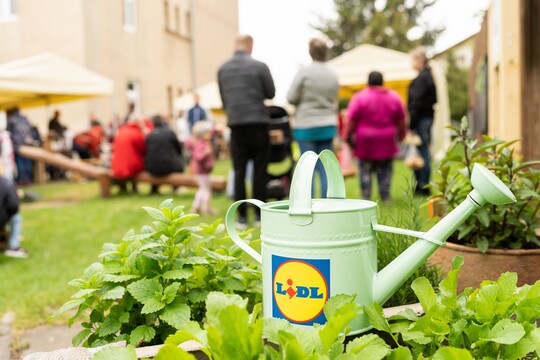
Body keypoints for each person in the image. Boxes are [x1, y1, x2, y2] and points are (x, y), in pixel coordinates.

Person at [218, 34, 275, 228]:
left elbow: (224, 99)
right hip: (258, 122)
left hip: (236, 124)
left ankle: (242, 216)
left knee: (239, 170)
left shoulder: (223, 69)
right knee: (260, 170)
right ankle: (259, 214)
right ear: (250, 46)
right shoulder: (259, 67)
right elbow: (271, 93)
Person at [287, 38, 339, 197]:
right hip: (327, 124)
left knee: (307, 169)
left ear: (310, 52)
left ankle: (307, 205)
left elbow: (291, 97)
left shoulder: (304, 72)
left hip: (306, 125)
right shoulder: (333, 73)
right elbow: (333, 98)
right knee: (325, 167)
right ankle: (326, 204)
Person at [346, 71, 406, 202]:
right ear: (382, 82)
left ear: (368, 82)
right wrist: (401, 136)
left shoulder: (360, 97)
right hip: (386, 140)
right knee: (385, 169)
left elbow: (351, 120)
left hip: (365, 142)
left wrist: (347, 137)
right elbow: (401, 119)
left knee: (365, 170)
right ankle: (385, 196)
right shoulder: (394, 97)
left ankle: (366, 197)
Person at [407, 46, 437, 195]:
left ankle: (423, 186)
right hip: (426, 118)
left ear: (419, 60)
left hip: (420, 120)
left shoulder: (422, 79)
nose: (411, 63)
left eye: (412, 59)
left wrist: (412, 124)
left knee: (422, 151)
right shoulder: (428, 76)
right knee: (421, 151)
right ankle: (421, 185)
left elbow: (416, 103)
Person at [144, 115, 184, 194]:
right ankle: (175, 187)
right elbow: (179, 149)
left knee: (156, 161)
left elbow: (147, 151)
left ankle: (154, 189)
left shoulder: (150, 135)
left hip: (152, 168)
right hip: (170, 166)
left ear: (153, 124)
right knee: (178, 164)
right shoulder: (169, 133)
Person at [185, 121, 216, 215]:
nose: (209, 135)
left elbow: (213, 132)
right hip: (202, 171)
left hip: (204, 171)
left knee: (202, 189)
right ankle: (206, 208)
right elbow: (198, 157)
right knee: (205, 190)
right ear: (201, 135)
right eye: (207, 133)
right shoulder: (200, 144)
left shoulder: (204, 142)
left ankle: (197, 207)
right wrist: (206, 153)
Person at [111, 115, 146, 194]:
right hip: (131, 166)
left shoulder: (121, 131)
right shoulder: (136, 133)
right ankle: (134, 189)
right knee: (137, 165)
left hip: (117, 165)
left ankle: (123, 188)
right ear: (137, 123)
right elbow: (143, 149)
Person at [0, 173, 26, 258]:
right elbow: (14, 204)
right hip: (2, 217)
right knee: (16, 218)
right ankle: (13, 246)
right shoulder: (6, 182)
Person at [6, 107, 35, 186]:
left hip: (17, 144)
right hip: (26, 143)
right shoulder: (24, 118)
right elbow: (30, 129)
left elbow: (8, 131)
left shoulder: (11, 119)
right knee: (27, 161)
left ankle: (22, 180)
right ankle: (28, 179)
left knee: (20, 162)